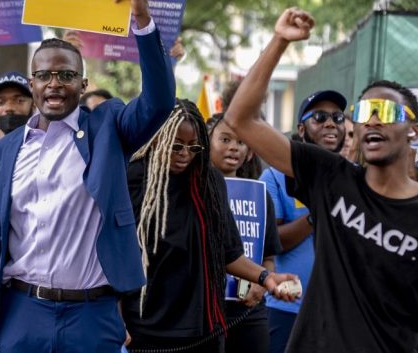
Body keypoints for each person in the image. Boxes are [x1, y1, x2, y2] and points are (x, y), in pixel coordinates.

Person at [225, 7, 418, 353]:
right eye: (363, 113)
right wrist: (280, 41)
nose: (373, 121)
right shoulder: (330, 177)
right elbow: (240, 119)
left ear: (414, 130)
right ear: (355, 129)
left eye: (387, 112)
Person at [0, 0, 175, 353]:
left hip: (92, 318)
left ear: (83, 83)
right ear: (33, 85)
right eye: (45, 76)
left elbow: (160, 103)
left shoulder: (108, 127)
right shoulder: (5, 151)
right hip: (22, 314)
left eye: (66, 75)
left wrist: (142, 18)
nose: (55, 84)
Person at [122, 102, 294, 353]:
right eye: (176, 146)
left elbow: (229, 253)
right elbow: (114, 255)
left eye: (193, 147)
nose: (185, 154)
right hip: (145, 327)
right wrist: (115, 318)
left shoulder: (210, 181)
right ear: (159, 139)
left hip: (202, 328)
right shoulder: (135, 177)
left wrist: (267, 278)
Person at [258, 88, 347, 353]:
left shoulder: (355, 178)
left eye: (338, 117)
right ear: (302, 128)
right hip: (287, 308)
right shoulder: (274, 177)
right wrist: (317, 211)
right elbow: (272, 242)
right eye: (319, 117)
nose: (330, 123)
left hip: (340, 312)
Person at [206, 113, 282, 353]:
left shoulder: (261, 196)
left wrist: (261, 285)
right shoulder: (194, 192)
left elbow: (269, 257)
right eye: (225, 140)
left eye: (240, 142)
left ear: (250, 152)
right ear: (207, 142)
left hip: (249, 310)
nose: (233, 148)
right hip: (205, 310)